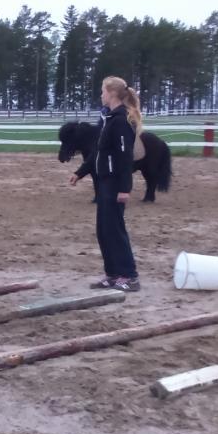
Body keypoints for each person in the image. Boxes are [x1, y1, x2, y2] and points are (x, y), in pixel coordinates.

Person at [70, 76, 141, 291]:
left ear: (111, 93)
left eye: (102, 91)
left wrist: (124, 188)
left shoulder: (121, 121)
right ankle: (112, 274)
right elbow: (99, 152)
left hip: (114, 184)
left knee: (115, 230)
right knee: (104, 230)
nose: (101, 95)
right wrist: (81, 172)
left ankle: (130, 276)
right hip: (103, 183)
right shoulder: (108, 119)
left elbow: (124, 156)